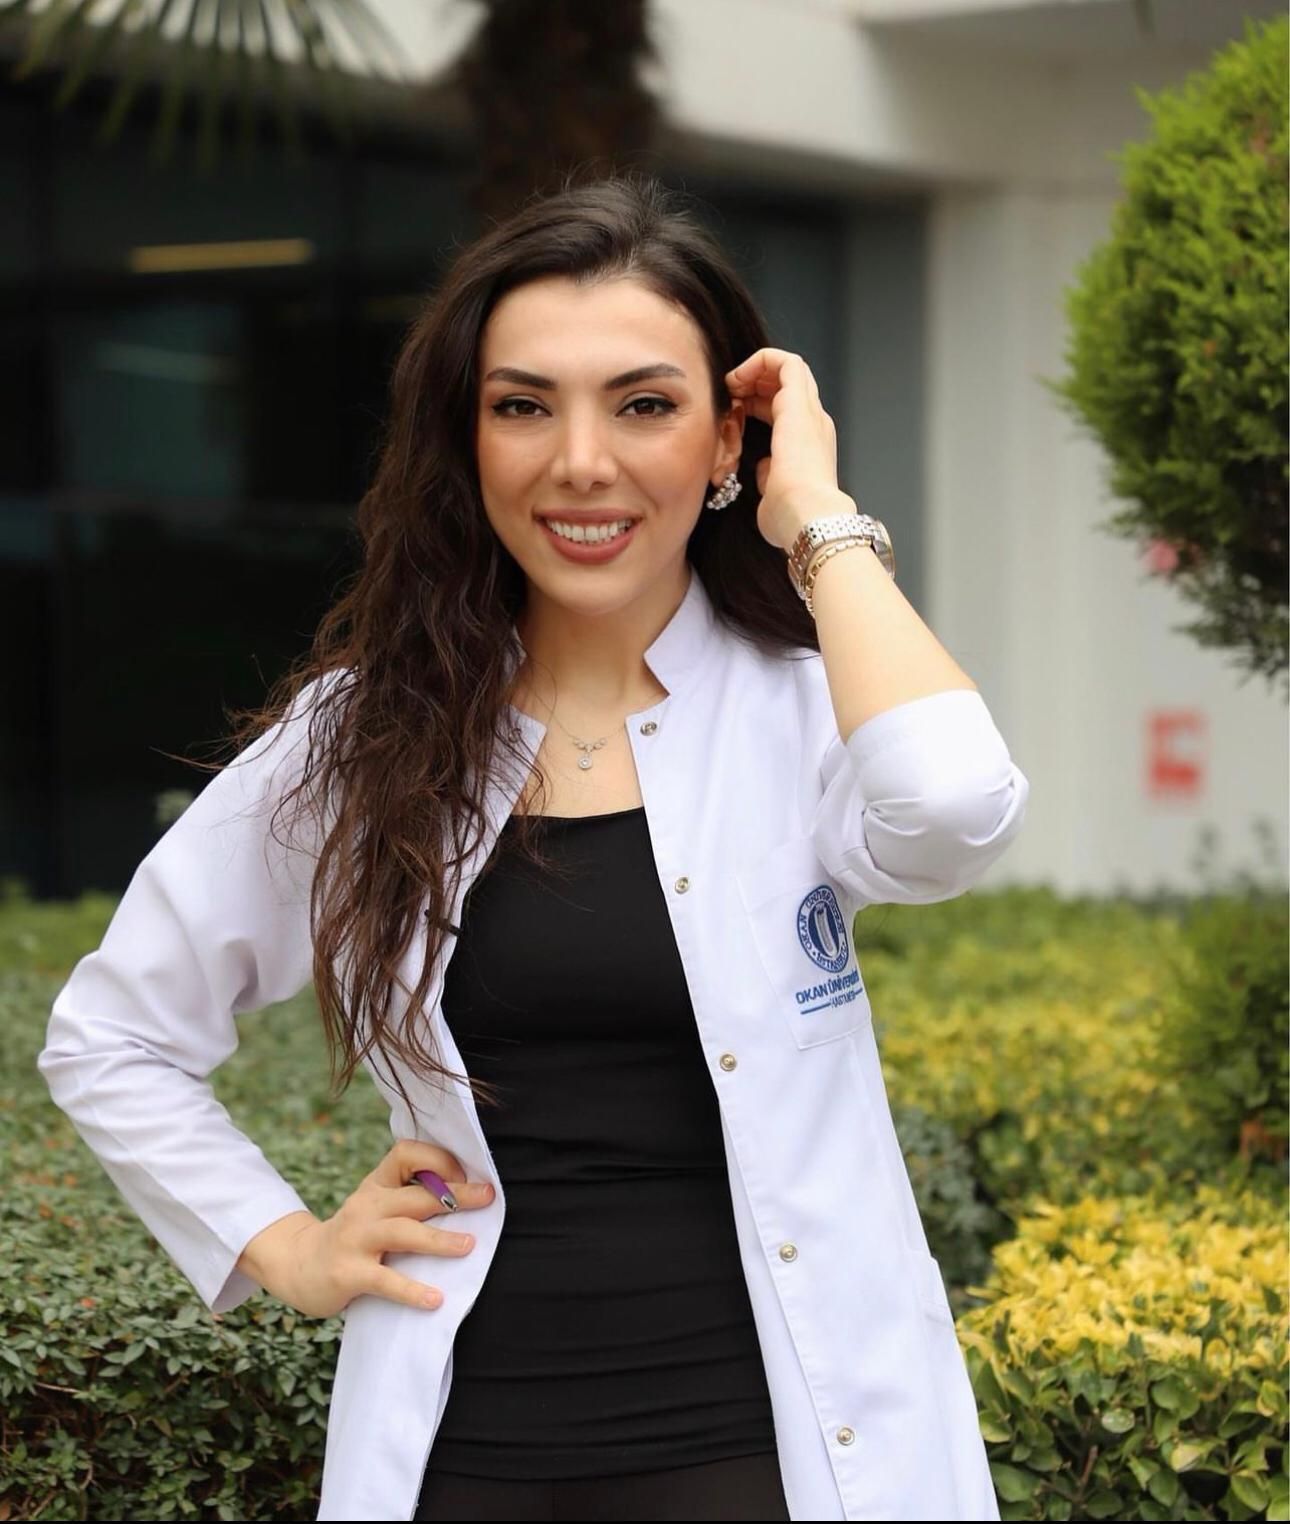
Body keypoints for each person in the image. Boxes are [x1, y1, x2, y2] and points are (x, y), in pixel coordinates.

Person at [38, 170, 1029, 1522]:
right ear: (467, 441)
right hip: (460, 1457)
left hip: (768, 1455)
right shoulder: (362, 738)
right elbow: (114, 1035)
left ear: (725, 443)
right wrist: (285, 1248)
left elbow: (954, 810)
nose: (580, 461)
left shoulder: (806, 710)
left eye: (644, 405)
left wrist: (814, 515)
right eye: (522, 406)